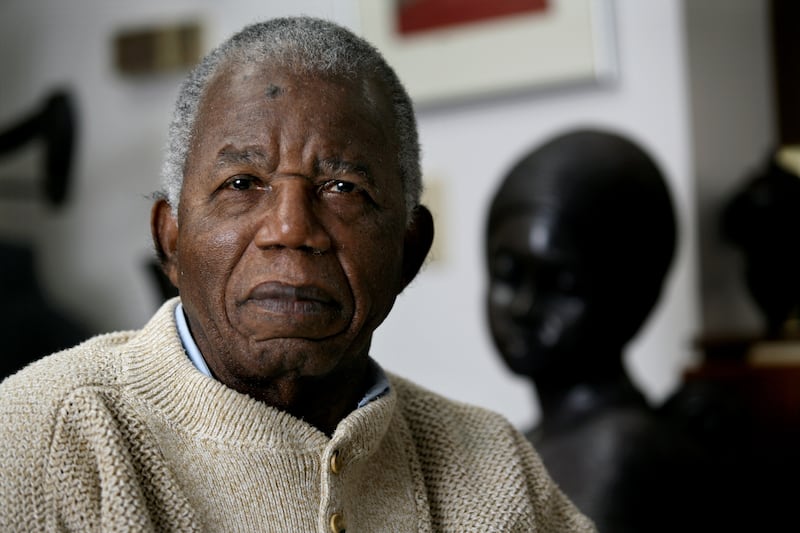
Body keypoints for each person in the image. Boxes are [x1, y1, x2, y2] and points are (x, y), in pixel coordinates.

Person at [0, 17, 594, 532]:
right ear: (170, 240)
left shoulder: (494, 466)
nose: (290, 228)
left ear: (408, 252)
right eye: (241, 184)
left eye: (343, 188)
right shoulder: (38, 438)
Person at [485, 129, 717, 532]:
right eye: (508, 274)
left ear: (629, 294)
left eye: (561, 284)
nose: (523, 307)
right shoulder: (533, 441)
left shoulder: (619, 452)